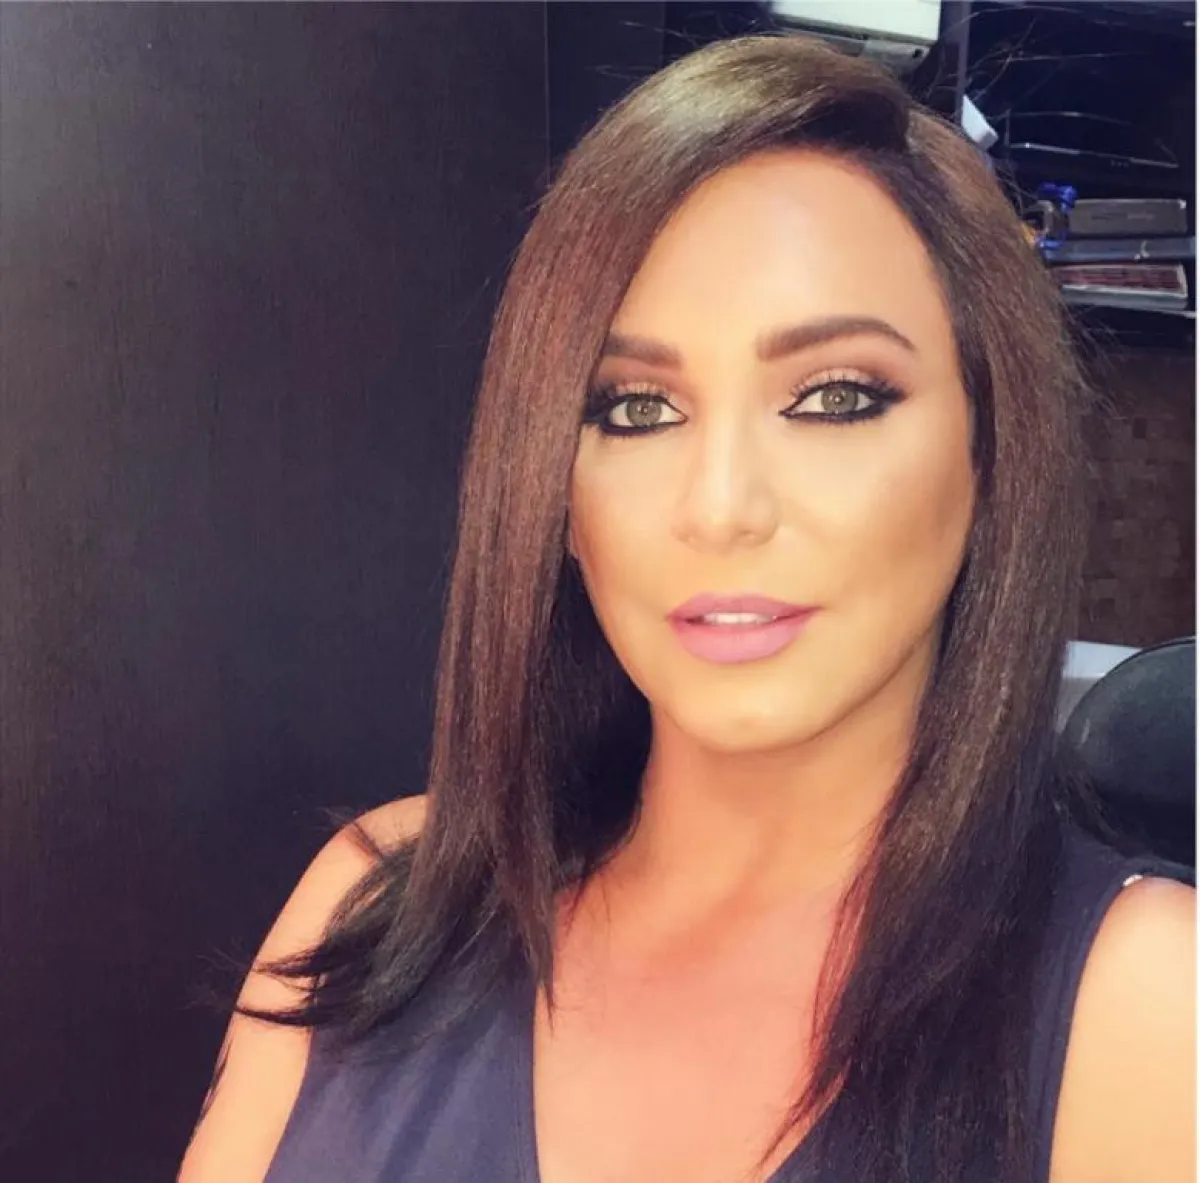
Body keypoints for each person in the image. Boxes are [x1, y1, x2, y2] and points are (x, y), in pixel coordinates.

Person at [178, 33, 1194, 1183]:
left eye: (834, 397)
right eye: (635, 410)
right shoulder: (373, 904)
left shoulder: (1144, 1010)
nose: (718, 508)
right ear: (557, 494)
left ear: (990, 456)